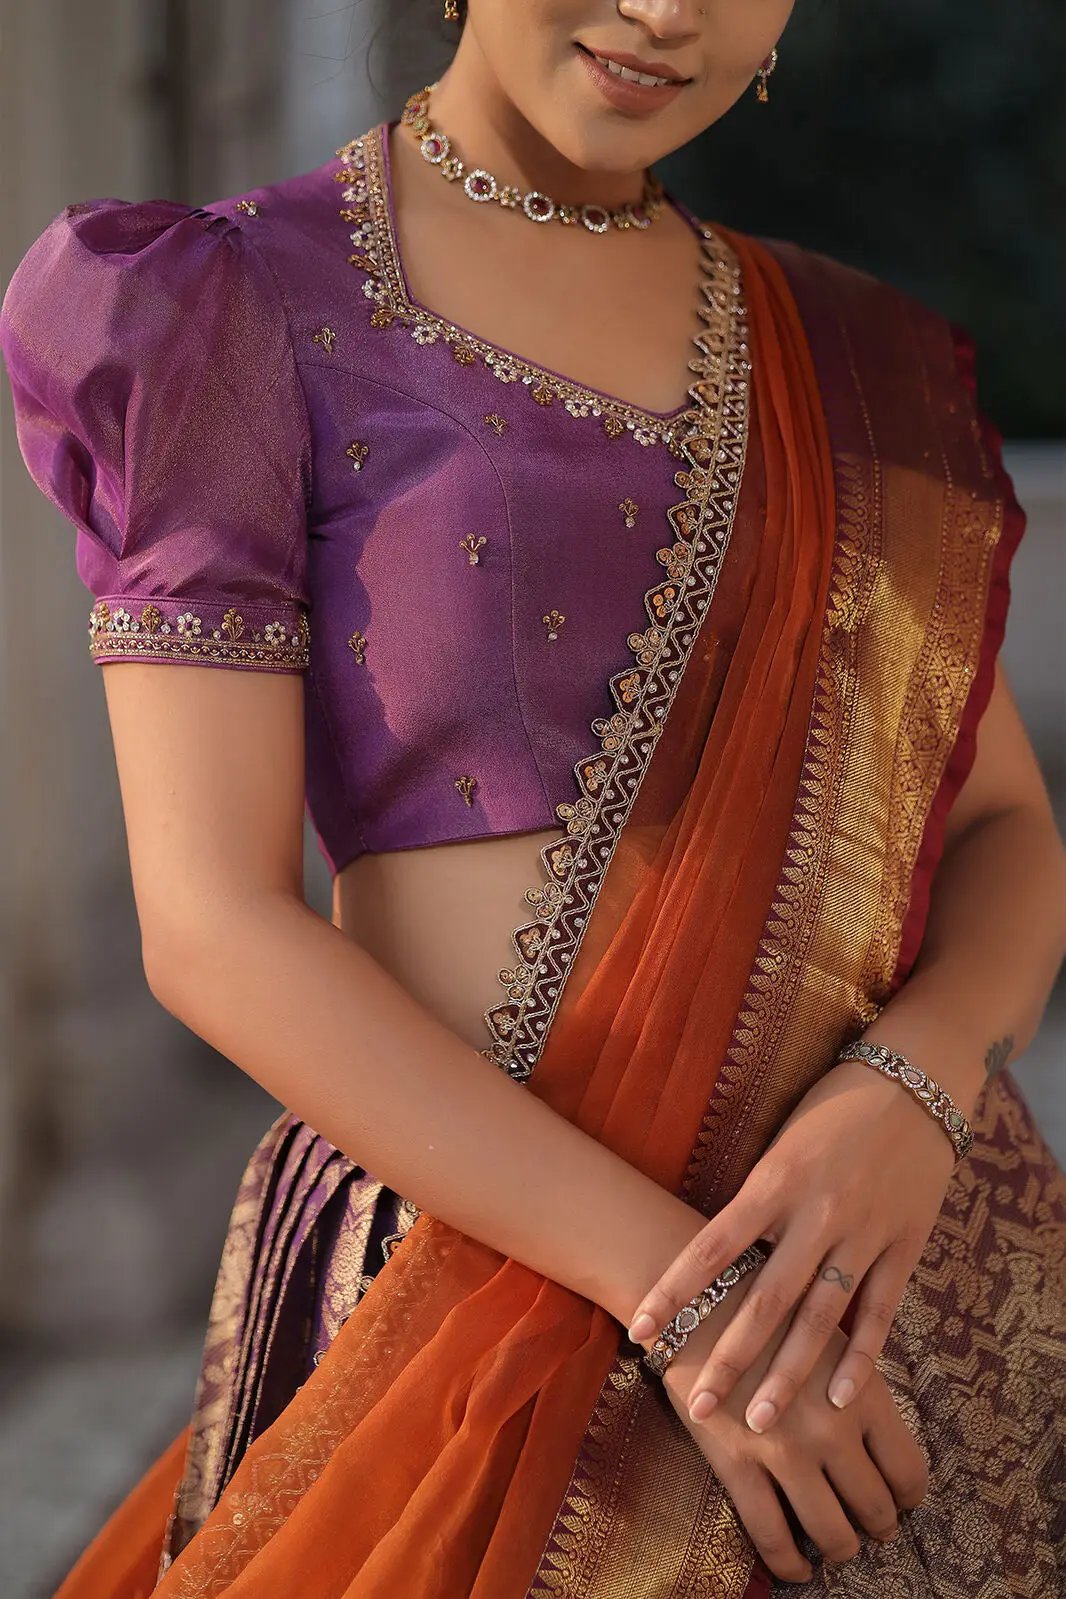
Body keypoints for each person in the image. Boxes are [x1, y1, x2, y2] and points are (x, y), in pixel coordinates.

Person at [1, 2, 1064, 1594]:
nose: (660, 8)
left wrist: (903, 1092)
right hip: (473, 1276)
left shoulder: (864, 364)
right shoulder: (224, 305)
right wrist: (686, 1300)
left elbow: (1000, 832)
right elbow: (209, 926)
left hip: (876, 1270)